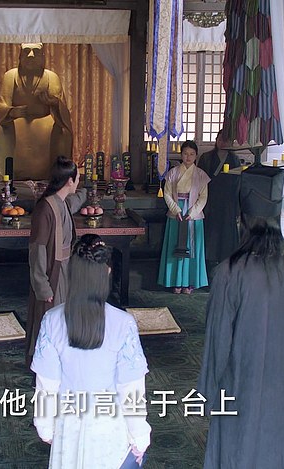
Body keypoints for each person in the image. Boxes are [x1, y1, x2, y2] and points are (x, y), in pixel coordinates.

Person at [197, 215, 284, 469]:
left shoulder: (231, 271)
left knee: (239, 447)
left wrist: (206, 396)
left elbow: (217, 340)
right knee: (283, 450)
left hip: (242, 384)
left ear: (244, 228)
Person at [31, 234, 150, 468]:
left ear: (72, 273)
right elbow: (131, 389)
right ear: (107, 272)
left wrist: (45, 425)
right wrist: (139, 434)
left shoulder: (52, 320)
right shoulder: (123, 323)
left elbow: (47, 384)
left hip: (68, 424)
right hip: (110, 426)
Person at [27, 156, 87, 366]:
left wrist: (86, 191)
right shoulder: (46, 208)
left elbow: (74, 201)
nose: (78, 182)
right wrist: (42, 286)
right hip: (52, 272)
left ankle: (61, 364)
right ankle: (44, 366)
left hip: (66, 269)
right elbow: (37, 250)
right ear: (69, 181)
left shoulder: (61, 202)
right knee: (49, 320)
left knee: (64, 319)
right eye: (77, 179)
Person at [0, 43, 74, 180]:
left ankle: (59, 179)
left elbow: (62, 111)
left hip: (45, 125)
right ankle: (2, 180)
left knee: (63, 132)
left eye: (36, 52)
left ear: (43, 57)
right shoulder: (11, 76)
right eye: (27, 51)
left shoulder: (51, 77)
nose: (31, 55)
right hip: (15, 125)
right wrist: (13, 112)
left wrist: (54, 103)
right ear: (20, 56)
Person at [158, 140, 210, 294]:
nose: (188, 157)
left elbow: (203, 197)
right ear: (181, 155)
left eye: (192, 154)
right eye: (185, 154)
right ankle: (175, 281)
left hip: (193, 213)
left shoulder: (201, 175)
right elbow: (167, 193)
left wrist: (192, 212)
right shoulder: (173, 173)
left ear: (196, 156)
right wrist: (176, 209)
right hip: (177, 211)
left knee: (192, 246)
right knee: (175, 245)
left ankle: (190, 282)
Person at [197, 130, 242, 267]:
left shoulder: (234, 159)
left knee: (226, 233)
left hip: (228, 201)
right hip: (210, 200)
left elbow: (238, 183)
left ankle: (226, 262)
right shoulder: (206, 157)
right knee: (210, 232)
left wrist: (237, 207)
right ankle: (208, 263)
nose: (222, 143)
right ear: (216, 140)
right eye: (220, 139)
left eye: (226, 140)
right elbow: (199, 179)